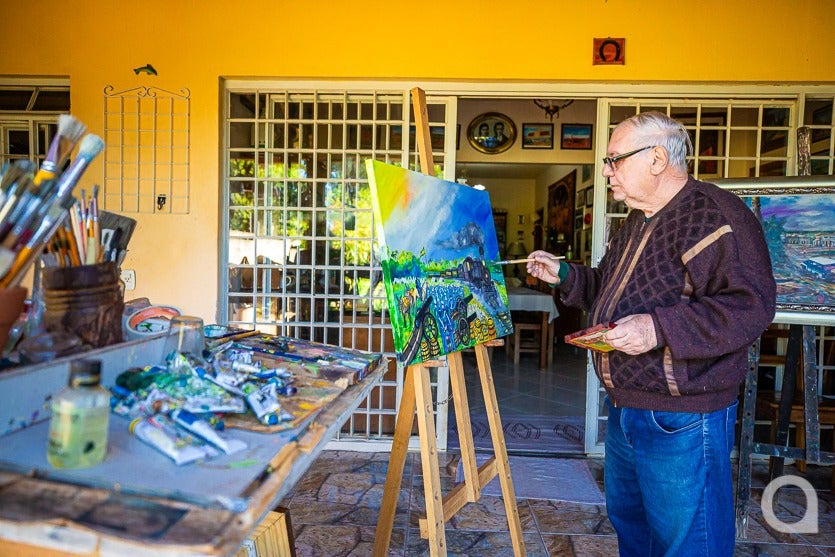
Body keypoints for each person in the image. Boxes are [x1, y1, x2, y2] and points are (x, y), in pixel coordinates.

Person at [527, 111, 776, 556]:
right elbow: (609, 289)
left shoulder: (716, 215)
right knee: (634, 529)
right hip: (626, 406)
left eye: (614, 160)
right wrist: (563, 275)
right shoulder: (637, 219)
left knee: (687, 543)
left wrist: (657, 328)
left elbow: (750, 306)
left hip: (681, 415)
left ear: (657, 159)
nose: (606, 171)